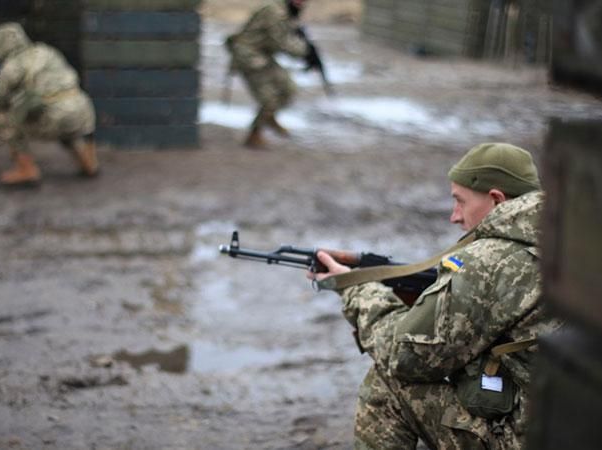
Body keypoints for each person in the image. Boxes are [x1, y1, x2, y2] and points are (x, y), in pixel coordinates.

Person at [310, 143, 564, 449]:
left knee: (390, 382)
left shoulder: (491, 261)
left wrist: (355, 288)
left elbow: (404, 358)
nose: (454, 217)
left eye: (460, 201)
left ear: (496, 199)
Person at [0, 23, 98, 186]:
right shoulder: (46, 51)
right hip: (83, 112)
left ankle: (26, 169)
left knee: (2, 118)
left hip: (56, 117)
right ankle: (88, 163)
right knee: (60, 115)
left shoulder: (12, 67)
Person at [225, 0, 312, 148]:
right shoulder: (275, 11)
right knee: (269, 99)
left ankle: (269, 117)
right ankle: (254, 135)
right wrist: (306, 52)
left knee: (288, 90)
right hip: (249, 57)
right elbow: (281, 42)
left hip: (264, 55)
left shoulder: (285, 10)